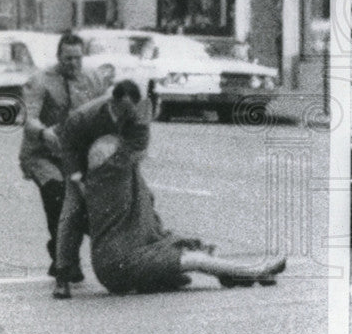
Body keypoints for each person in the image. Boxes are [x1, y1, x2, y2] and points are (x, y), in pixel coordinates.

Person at [53, 131, 285, 299]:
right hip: (120, 261)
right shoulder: (104, 180)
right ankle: (253, 271)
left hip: (123, 257)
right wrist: (63, 275)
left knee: (188, 252)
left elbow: (148, 218)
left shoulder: (118, 179)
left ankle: (229, 274)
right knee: (194, 259)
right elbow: (69, 223)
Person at [20, 32, 108, 277]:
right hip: (42, 155)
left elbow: (104, 111)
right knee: (57, 196)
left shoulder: (93, 78)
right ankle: (67, 260)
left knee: (81, 204)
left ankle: (60, 253)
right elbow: (28, 117)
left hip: (75, 155)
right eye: (68, 59)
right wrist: (43, 132)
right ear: (59, 56)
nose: (73, 64)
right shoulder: (40, 80)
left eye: (77, 58)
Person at [51, 79, 150, 297]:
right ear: (113, 102)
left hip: (119, 166)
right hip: (83, 169)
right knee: (72, 214)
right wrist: (78, 179)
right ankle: (63, 274)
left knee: (144, 203)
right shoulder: (84, 116)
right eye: (124, 110)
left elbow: (139, 143)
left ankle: (145, 262)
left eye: (132, 110)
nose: (129, 116)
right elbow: (68, 146)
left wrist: (118, 168)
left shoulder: (137, 114)